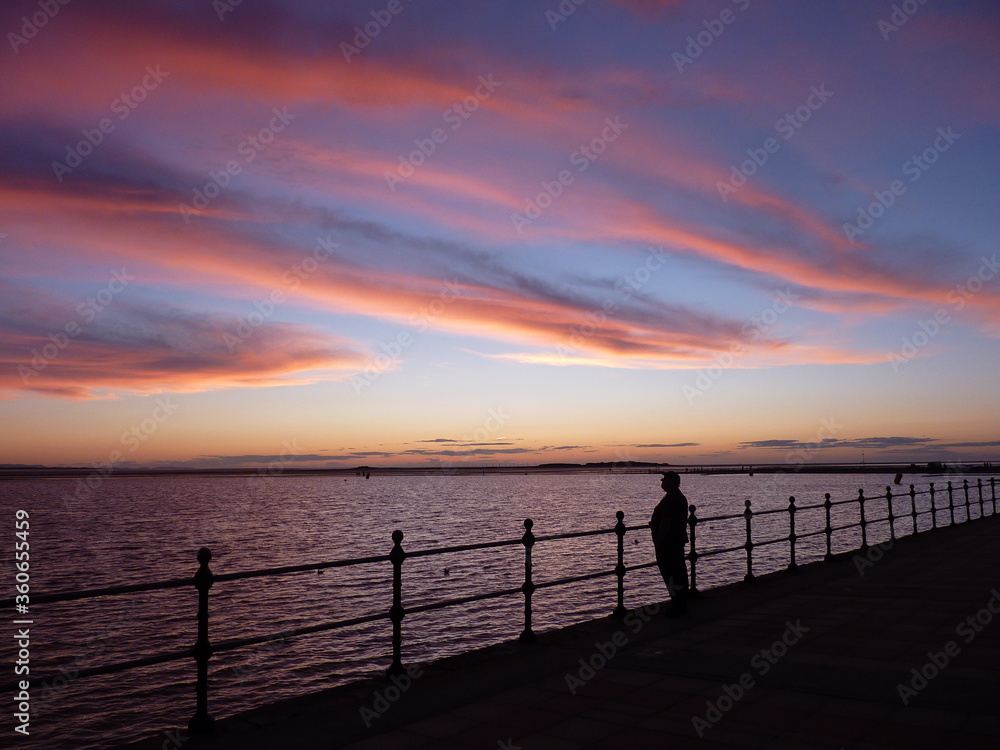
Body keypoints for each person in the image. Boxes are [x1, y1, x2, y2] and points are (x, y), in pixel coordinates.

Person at [649, 471, 690, 616]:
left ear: (671, 482)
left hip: (669, 543)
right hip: (676, 541)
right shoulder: (677, 497)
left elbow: (666, 522)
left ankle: (678, 606)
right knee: (677, 572)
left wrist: (659, 542)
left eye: (664, 479)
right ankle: (680, 604)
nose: (661, 481)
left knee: (672, 573)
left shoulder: (671, 498)